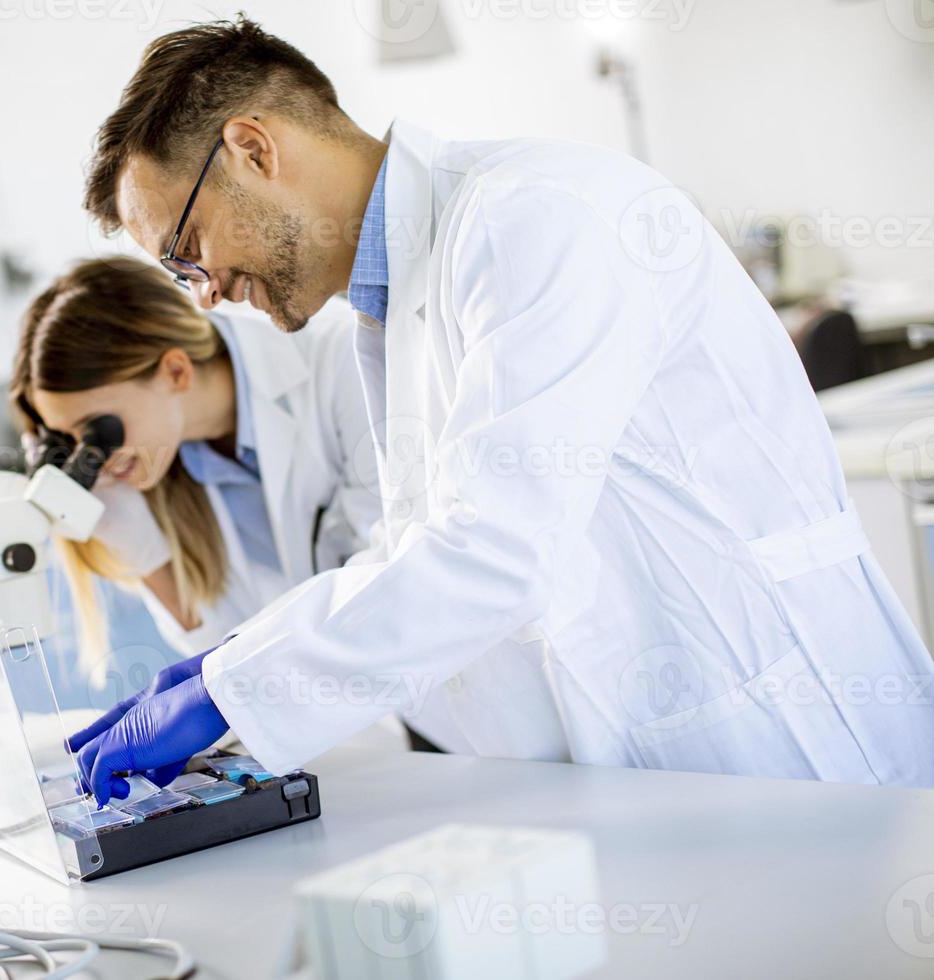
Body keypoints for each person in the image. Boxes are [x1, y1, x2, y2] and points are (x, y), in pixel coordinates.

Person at [68, 17, 934, 803]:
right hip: (660, 758)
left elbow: (494, 547)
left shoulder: (532, 216)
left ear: (253, 148)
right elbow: (421, 556)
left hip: (784, 731)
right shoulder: (398, 294)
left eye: (187, 252)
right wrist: (231, 669)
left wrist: (234, 686)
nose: (207, 294)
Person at [11, 255, 380, 674]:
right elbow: (228, 660)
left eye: (96, 431)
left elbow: (386, 584)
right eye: (68, 441)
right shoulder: (166, 469)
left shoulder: (345, 357)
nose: (95, 461)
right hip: (368, 715)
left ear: (174, 372)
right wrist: (142, 552)